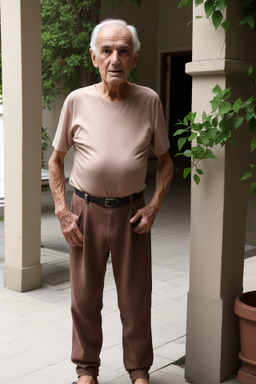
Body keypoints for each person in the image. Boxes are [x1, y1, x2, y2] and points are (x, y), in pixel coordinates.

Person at [49, 18, 173, 384]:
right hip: (84, 211)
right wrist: (62, 210)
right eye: (106, 50)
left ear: (135, 58)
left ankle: (139, 371)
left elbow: (166, 164)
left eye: (123, 51)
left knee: (135, 300)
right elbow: (56, 161)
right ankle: (86, 370)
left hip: (132, 213)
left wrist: (152, 208)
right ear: (94, 57)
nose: (114, 58)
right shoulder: (77, 101)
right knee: (85, 299)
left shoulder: (149, 100)